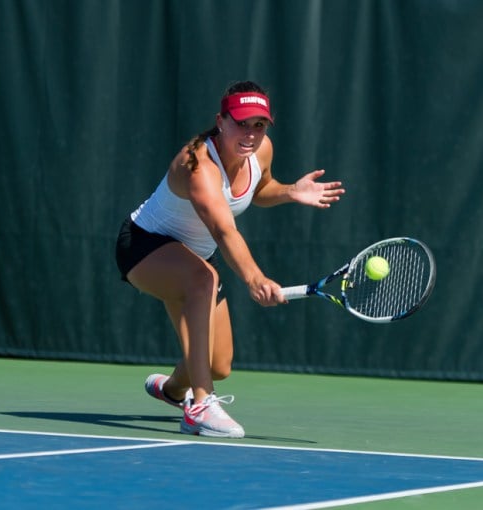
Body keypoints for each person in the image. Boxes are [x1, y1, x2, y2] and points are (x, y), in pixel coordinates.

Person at [115, 81, 345, 438]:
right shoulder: (198, 167)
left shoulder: (261, 150)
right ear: (220, 121)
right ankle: (201, 406)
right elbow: (225, 233)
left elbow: (260, 191)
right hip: (145, 247)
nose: (251, 134)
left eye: (259, 125)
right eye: (241, 123)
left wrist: (289, 192)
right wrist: (256, 279)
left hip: (197, 260)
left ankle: (173, 390)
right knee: (202, 279)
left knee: (218, 363)